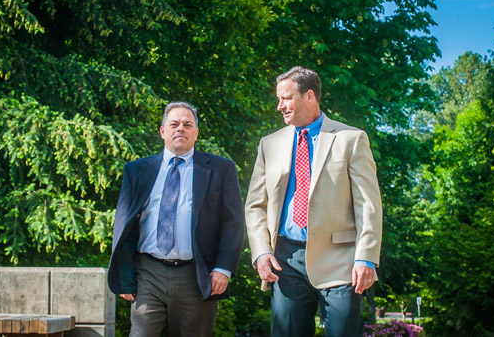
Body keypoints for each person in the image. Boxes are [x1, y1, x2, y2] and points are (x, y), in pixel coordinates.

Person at [245, 66, 383, 336]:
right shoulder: (269, 144)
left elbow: (368, 204)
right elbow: (255, 206)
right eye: (278, 99)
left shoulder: (351, 139)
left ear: (309, 96)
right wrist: (261, 251)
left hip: (341, 260)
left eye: (285, 98)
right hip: (285, 259)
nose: (279, 106)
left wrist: (366, 258)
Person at [108, 101, 245, 336]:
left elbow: (233, 223)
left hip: (197, 275)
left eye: (187, 124)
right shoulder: (137, 170)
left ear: (196, 133)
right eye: (174, 124)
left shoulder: (221, 169)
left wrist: (223, 268)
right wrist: (125, 275)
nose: (180, 128)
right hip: (148, 273)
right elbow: (125, 226)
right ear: (163, 131)